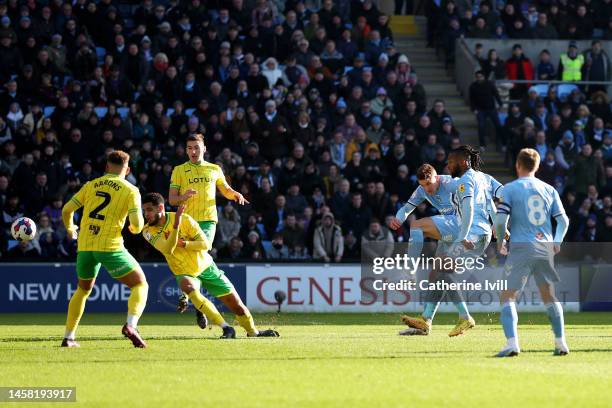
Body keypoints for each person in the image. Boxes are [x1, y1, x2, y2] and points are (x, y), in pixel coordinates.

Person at [142, 192, 279, 338]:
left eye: (149, 210)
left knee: (237, 306)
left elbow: (205, 244)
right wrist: (176, 226)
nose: (145, 214)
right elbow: (167, 248)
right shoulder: (147, 231)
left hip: (206, 266)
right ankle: (226, 328)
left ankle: (253, 332)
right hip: (183, 270)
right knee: (189, 288)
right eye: (144, 210)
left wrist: (184, 243)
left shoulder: (185, 219)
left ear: (160, 208)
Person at [391, 160, 503, 336]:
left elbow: (483, 198)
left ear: (437, 177)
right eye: (423, 185)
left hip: (464, 226)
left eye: (429, 184)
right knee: (437, 274)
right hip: (449, 229)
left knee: (417, 226)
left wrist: (496, 221)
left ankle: (410, 270)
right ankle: (426, 320)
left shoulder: (452, 183)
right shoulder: (422, 190)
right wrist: (399, 218)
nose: (427, 189)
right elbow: (406, 209)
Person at [60, 151, 147, 348]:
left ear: (107, 167)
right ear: (128, 170)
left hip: (85, 246)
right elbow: (137, 223)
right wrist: (136, 228)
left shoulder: (91, 185)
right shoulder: (130, 190)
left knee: (82, 290)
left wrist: (70, 227)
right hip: (109, 246)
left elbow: (66, 210)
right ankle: (131, 325)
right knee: (140, 284)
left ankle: (69, 337)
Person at [495, 148, 570, 357]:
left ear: (518, 165)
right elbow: (563, 220)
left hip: (521, 246)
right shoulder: (549, 189)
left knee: (507, 296)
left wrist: (501, 241)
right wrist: (557, 241)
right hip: (545, 247)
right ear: (537, 166)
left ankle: (512, 344)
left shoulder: (510, 189)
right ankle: (560, 342)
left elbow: (501, 220)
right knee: (549, 296)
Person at [168, 133, 248, 323]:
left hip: (206, 222)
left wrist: (235, 194)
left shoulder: (214, 169)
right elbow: (171, 199)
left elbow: (226, 191)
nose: (193, 151)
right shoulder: (179, 170)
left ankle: (189, 297)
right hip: (186, 221)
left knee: (201, 251)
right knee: (196, 261)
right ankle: (198, 301)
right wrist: (183, 197)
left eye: (196, 147)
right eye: (189, 148)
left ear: (204, 149)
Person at [469, 70, 502, 149]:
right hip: (480, 110)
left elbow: (496, 94)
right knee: (481, 126)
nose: (479, 78)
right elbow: (471, 99)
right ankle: (482, 144)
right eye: (477, 77)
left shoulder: (490, 84)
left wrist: (500, 104)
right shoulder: (473, 86)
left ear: (484, 77)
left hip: (491, 108)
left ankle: (502, 143)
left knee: (498, 125)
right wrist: (474, 109)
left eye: (480, 77)